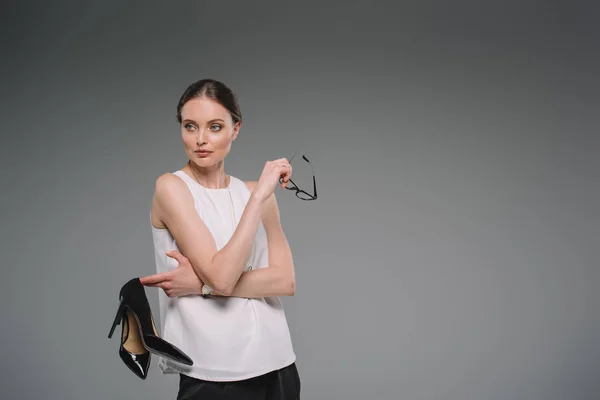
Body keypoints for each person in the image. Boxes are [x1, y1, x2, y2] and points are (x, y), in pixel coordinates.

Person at [139, 78, 301, 399]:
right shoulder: (172, 188)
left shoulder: (258, 191)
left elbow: (285, 281)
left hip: (278, 363)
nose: (201, 139)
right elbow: (223, 278)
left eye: (214, 127)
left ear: (235, 129)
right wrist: (257, 200)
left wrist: (200, 285)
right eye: (190, 126)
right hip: (213, 372)